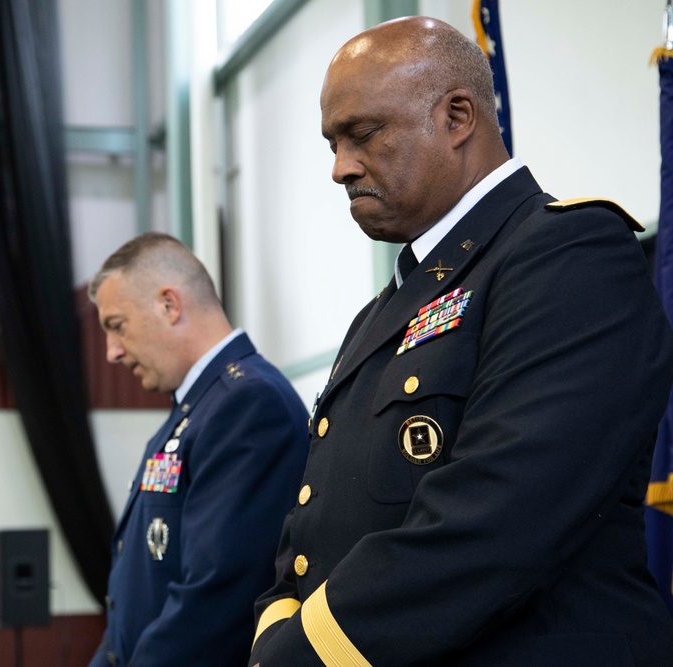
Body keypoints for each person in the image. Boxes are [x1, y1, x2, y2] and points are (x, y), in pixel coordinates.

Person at [250, 16, 673, 667]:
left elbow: (503, 518)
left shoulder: (570, 252)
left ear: (456, 118)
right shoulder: (379, 312)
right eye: (331, 142)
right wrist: (277, 624)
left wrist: (304, 652)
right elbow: (313, 522)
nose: (339, 168)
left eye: (362, 134)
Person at [87, 232, 308, 666]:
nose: (111, 352)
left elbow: (217, 596)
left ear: (169, 305)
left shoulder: (247, 404)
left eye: (116, 326)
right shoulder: (197, 410)